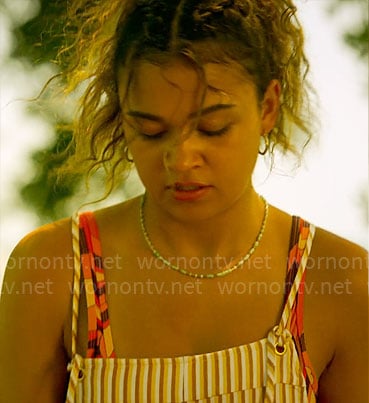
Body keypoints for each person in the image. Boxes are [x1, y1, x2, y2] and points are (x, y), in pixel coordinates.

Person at [0, 0, 367, 402]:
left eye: (213, 127)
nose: (181, 159)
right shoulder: (55, 272)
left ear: (267, 107)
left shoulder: (340, 282)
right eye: (151, 131)